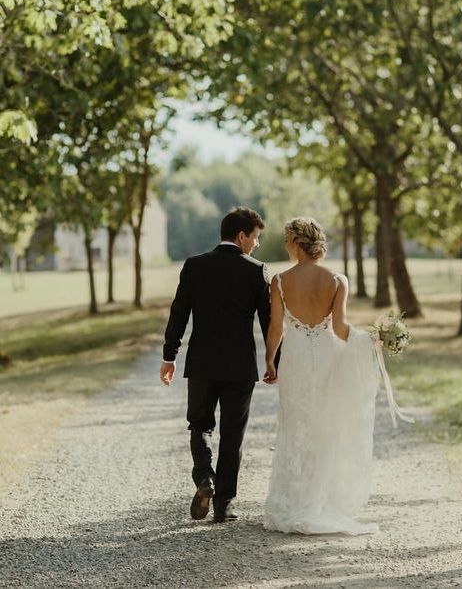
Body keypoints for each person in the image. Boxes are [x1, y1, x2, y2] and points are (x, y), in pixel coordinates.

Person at [263, 216, 406, 536]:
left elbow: (276, 329)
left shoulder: (280, 281)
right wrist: (370, 339)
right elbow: (341, 330)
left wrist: (270, 361)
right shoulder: (337, 279)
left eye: (288, 241)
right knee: (324, 426)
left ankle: (294, 501)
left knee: (295, 425)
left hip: (296, 360)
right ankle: (319, 500)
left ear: (298, 243)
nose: (286, 246)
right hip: (327, 358)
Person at [160, 206, 271, 524]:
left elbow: (178, 314)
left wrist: (170, 356)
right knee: (233, 434)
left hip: (202, 364)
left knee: (200, 425)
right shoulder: (256, 270)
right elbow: (268, 322)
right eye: (256, 237)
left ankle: (204, 479)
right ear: (241, 236)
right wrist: (273, 361)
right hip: (240, 367)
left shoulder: (194, 266)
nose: (257, 244)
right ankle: (223, 505)